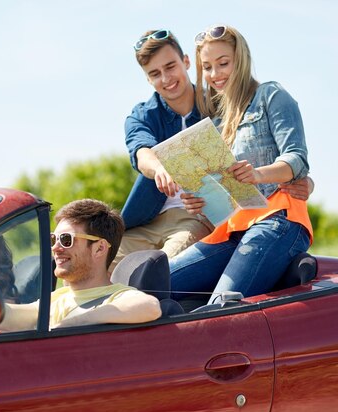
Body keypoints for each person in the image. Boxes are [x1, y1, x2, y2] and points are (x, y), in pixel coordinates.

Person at [113, 28, 314, 270]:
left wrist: (304, 180)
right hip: (149, 219)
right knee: (100, 264)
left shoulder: (220, 103)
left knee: (155, 271)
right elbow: (141, 151)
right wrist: (159, 169)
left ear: (186, 62)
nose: (166, 78)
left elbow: (269, 149)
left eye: (170, 67)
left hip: (202, 219)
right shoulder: (142, 115)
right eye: (155, 74)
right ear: (147, 79)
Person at [169, 25, 314, 304]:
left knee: (222, 305)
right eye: (207, 67)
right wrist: (199, 199)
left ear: (241, 60)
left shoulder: (271, 95)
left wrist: (257, 174)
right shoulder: (217, 124)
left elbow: (297, 158)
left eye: (223, 63)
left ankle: (285, 268)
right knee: (153, 285)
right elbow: (222, 192)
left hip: (277, 221)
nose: (215, 75)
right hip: (233, 228)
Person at [0, 199, 161, 331]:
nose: (55, 247)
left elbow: (150, 306)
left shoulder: (117, 297)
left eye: (66, 239)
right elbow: (12, 317)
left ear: (99, 248)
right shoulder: (59, 297)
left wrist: (72, 323)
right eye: (53, 239)